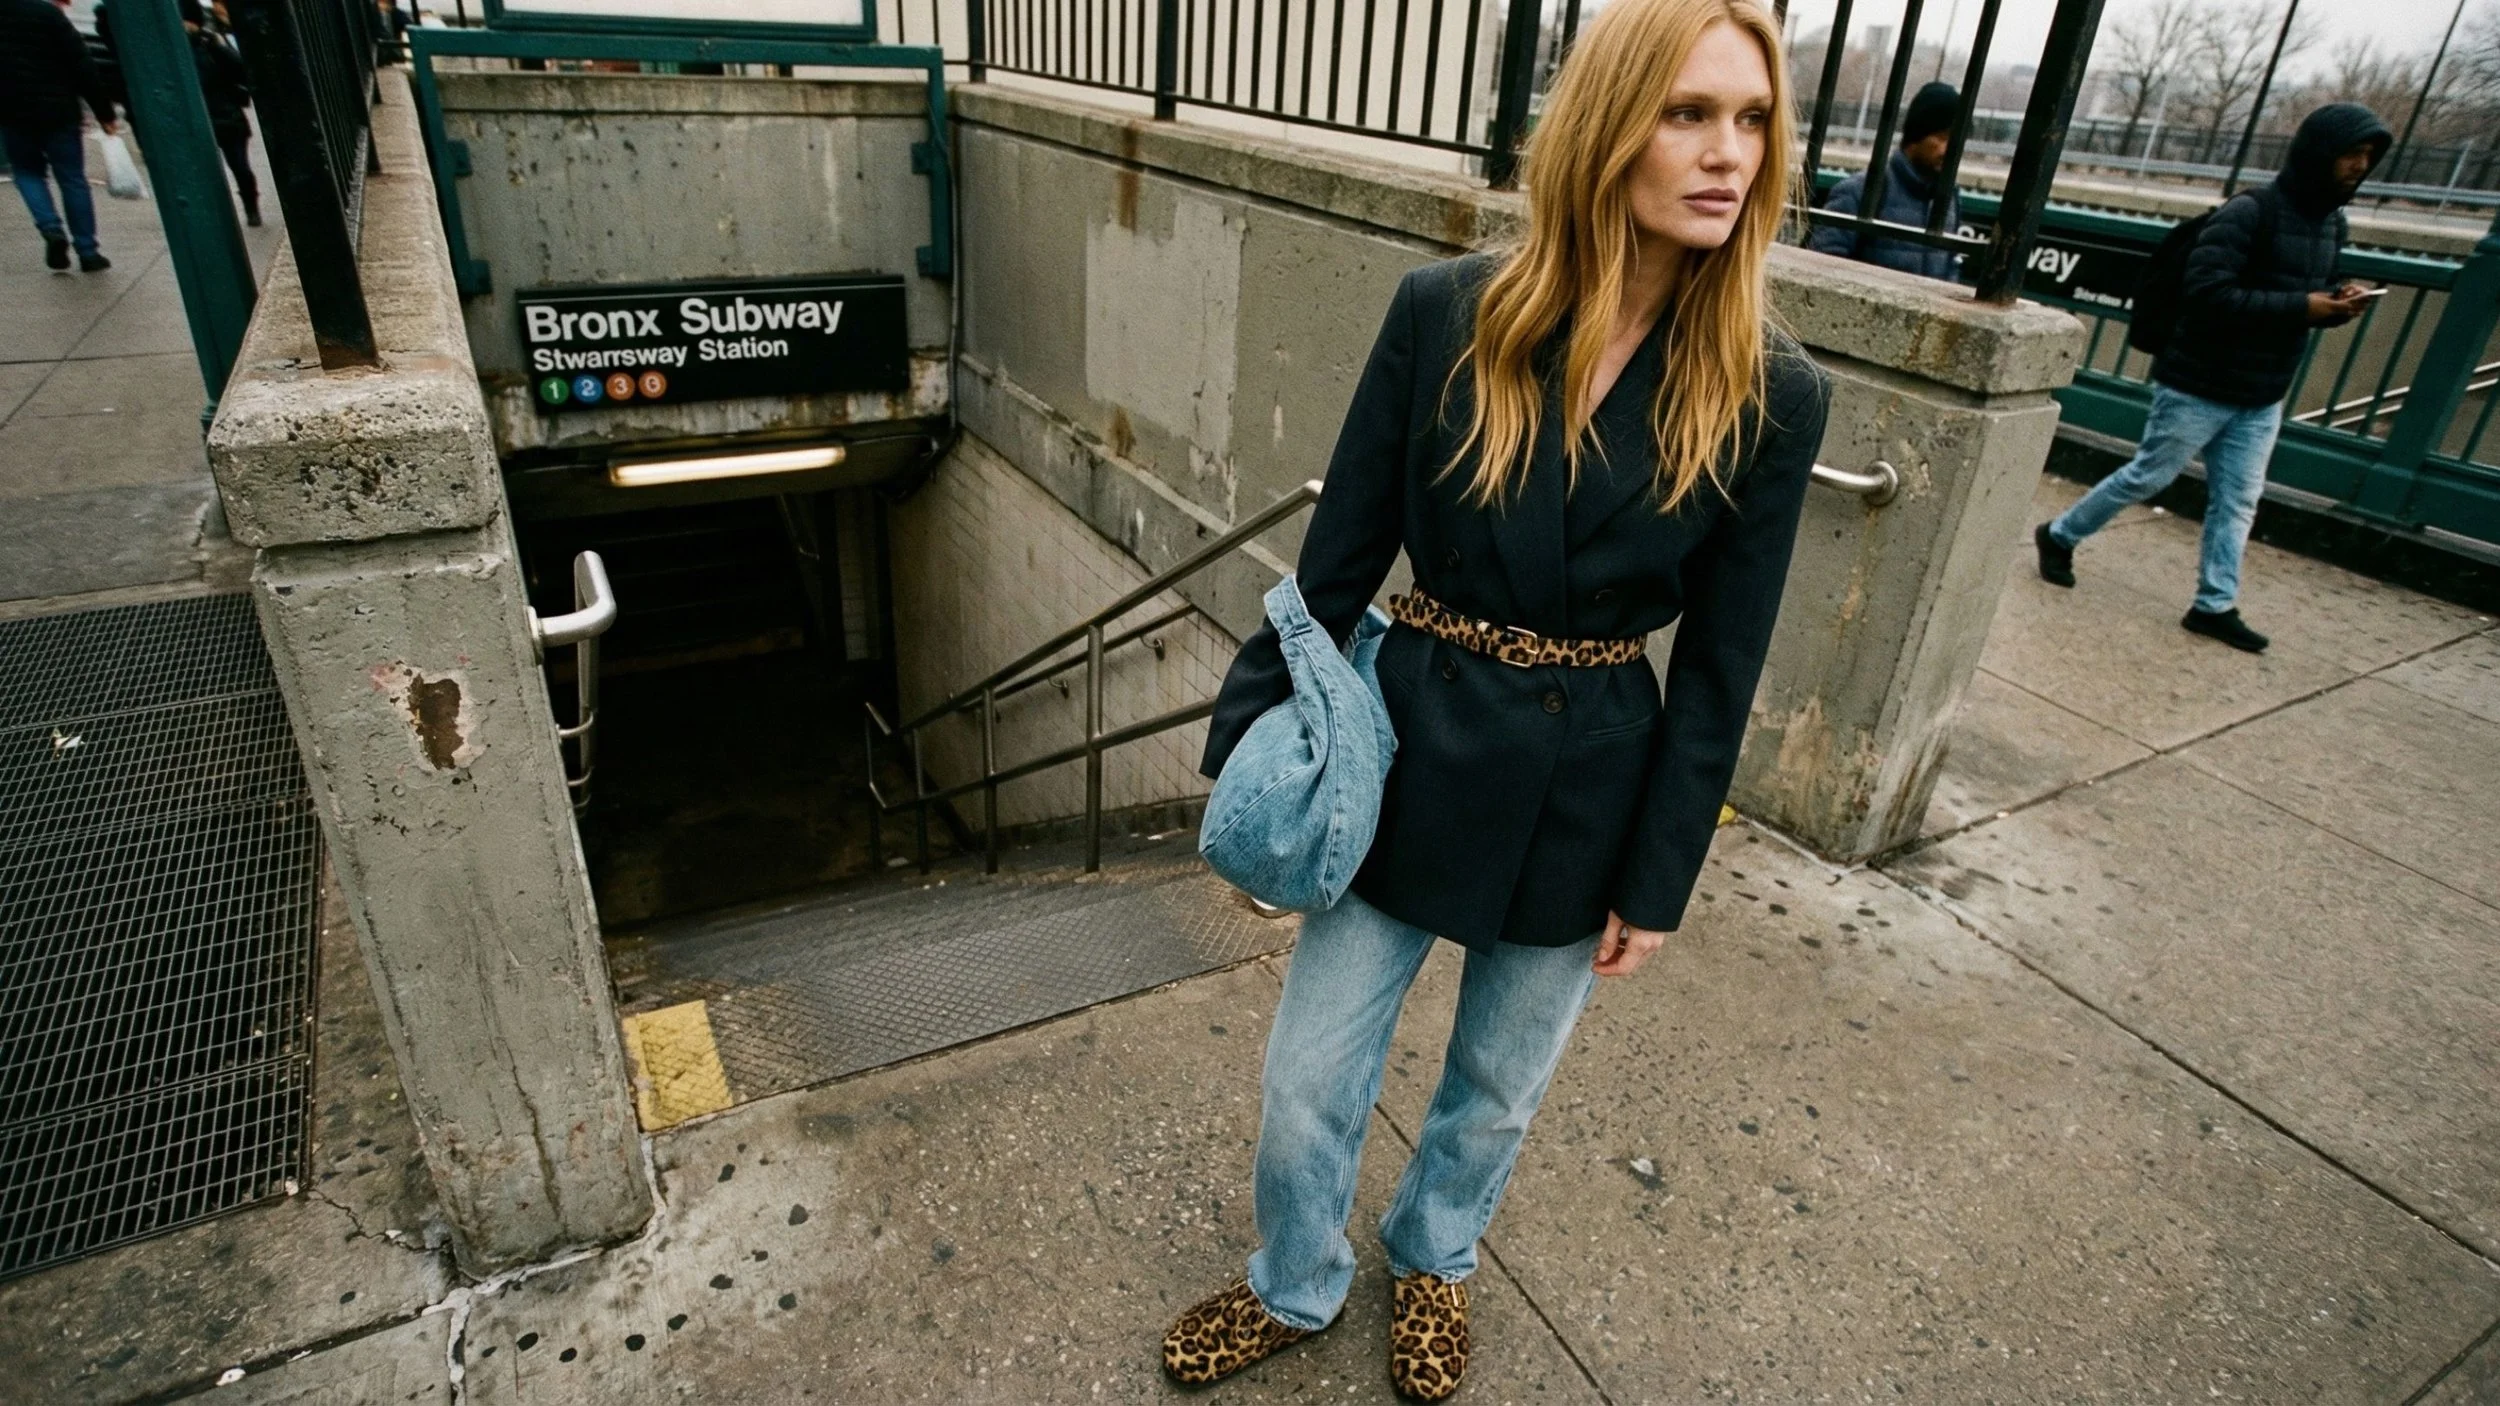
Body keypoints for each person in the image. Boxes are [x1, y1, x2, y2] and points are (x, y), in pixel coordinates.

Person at [1161, 0, 1828, 1397]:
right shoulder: (1447, 314)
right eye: (1689, 113)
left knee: (1495, 1094)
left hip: (1593, 777)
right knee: (1308, 1081)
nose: (1730, 154)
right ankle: (1295, 1281)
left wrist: (1663, 874)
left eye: (1753, 119)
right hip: (1412, 745)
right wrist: (1250, 768)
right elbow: (1338, 558)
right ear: (1606, 126)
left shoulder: (1771, 387)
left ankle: (1437, 1255)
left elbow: (1721, 662)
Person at [2034, 103, 2391, 653]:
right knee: (2149, 476)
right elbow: (2208, 293)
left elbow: (2307, 286)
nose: (2360, 166)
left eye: (2368, 157)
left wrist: (2339, 298)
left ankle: (2214, 603)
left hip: (2261, 393)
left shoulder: (2331, 224)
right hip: (2198, 383)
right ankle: (2058, 535)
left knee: (2239, 499)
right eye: (2352, 154)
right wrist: (2302, 306)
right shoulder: (2249, 213)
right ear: (2320, 154)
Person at [1, 0, 121, 272]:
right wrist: (105, 112)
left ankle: (51, 227)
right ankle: (88, 251)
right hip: (58, 111)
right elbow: (81, 64)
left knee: (27, 173)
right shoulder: (47, 14)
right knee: (72, 178)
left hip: (11, 112)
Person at [1804, 79, 1962, 279]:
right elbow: (1820, 269)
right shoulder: (1859, 191)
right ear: (1915, 137)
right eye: (1942, 138)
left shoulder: (1949, 200)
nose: (1950, 150)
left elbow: (1951, 270)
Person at [179, 0, 259, 227]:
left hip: (225, 114)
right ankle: (215, 213)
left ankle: (251, 204)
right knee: (206, 171)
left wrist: (217, 45)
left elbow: (241, 71)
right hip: (205, 118)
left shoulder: (210, 44)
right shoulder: (176, 50)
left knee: (240, 167)